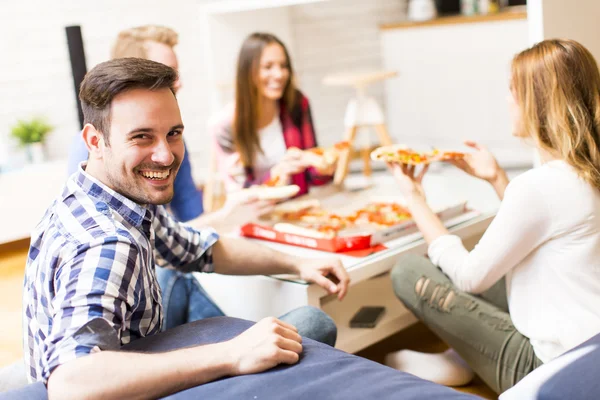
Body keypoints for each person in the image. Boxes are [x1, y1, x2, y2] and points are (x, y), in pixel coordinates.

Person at [24, 58, 350, 399]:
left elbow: (198, 247)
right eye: (141, 137)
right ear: (94, 140)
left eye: (173, 134)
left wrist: (299, 264)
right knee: (313, 324)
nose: (165, 155)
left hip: (128, 354)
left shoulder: (101, 194)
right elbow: (71, 383)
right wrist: (232, 355)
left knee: (182, 279)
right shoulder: (108, 243)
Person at [386, 39, 600, 394]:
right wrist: (497, 178)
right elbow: (542, 225)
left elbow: (471, 278)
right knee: (508, 266)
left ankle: (461, 361)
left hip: (549, 365)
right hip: (590, 348)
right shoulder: (586, 172)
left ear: (537, 104)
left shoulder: (538, 187)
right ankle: (461, 359)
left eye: (512, 92)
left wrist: (414, 199)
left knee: (408, 271)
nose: (507, 101)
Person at [67, 25, 274, 330]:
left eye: (173, 134)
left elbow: (185, 231)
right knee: (178, 275)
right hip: (144, 292)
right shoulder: (97, 169)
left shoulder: (171, 145)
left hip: (162, 282)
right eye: (169, 72)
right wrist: (226, 217)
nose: (179, 83)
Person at [211, 32, 334, 195]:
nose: (279, 74)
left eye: (283, 66)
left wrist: (325, 168)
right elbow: (240, 193)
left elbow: (313, 177)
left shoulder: (297, 103)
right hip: (257, 214)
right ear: (247, 72)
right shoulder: (224, 125)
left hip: (299, 207)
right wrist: (277, 174)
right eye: (268, 67)